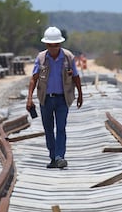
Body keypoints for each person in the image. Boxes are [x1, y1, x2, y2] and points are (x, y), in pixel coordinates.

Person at [26, 26, 83, 169]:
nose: (53, 48)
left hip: (63, 99)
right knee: (49, 129)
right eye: (51, 45)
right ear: (46, 45)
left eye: (56, 45)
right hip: (46, 99)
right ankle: (53, 157)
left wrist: (80, 95)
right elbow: (34, 79)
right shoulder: (41, 58)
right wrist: (29, 98)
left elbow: (76, 77)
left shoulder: (68, 57)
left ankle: (60, 157)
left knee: (61, 128)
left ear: (60, 44)